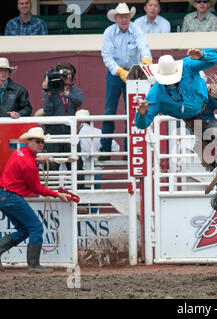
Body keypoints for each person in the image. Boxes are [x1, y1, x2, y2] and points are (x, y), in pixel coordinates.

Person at [0, 127, 70, 273]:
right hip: (12, 197)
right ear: (30, 141)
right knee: (36, 227)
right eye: (38, 141)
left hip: (4, 195)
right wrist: (57, 194)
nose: (41, 144)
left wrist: (37, 160)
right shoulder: (29, 163)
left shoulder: (20, 153)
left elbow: (27, 165)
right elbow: (37, 188)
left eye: (42, 142)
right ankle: (33, 265)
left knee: (25, 229)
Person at [100, 2, 153, 160]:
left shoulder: (136, 30)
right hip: (115, 73)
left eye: (126, 16)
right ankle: (105, 150)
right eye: (121, 17)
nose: (124, 19)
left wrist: (146, 60)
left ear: (130, 17)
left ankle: (129, 151)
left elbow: (144, 47)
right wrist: (119, 71)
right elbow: (107, 57)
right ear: (115, 18)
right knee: (109, 111)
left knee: (131, 111)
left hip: (134, 72)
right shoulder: (109, 32)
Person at [42, 62, 84, 172]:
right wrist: (48, 94)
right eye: (64, 74)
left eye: (69, 74)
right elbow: (48, 110)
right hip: (53, 130)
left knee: (76, 164)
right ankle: (50, 189)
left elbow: (79, 102)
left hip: (70, 129)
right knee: (51, 165)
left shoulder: (76, 91)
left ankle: (78, 188)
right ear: (58, 75)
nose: (67, 76)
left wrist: (67, 95)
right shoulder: (52, 90)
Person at [76, 109, 119, 213]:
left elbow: (83, 154)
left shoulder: (78, 134)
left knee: (84, 200)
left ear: (78, 122)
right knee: (95, 201)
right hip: (97, 170)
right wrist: (101, 153)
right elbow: (115, 147)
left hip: (83, 171)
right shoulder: (97, 131)